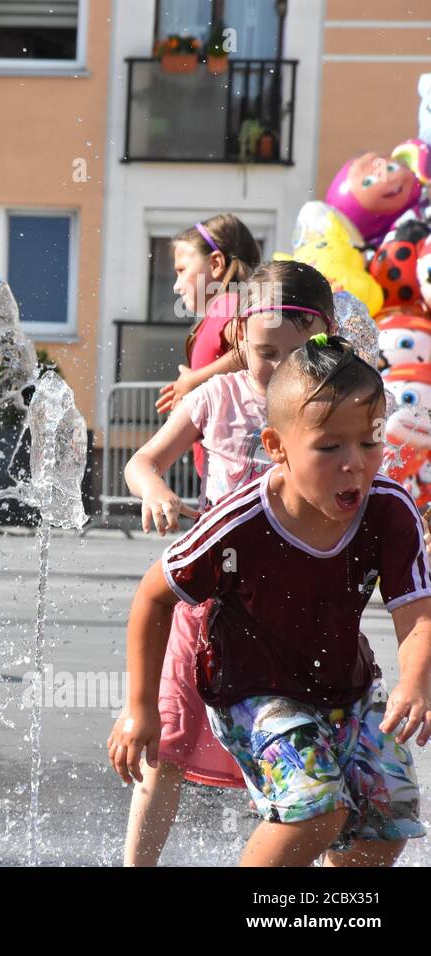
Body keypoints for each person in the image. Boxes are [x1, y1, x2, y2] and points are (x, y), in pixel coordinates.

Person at [110, 332, 431, 867]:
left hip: (346, 690)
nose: (354, 462)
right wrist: (140, 710)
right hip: (251, 692)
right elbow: (152, 596)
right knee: (315, 811)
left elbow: (417, 611)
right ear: (277, 446)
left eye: (370, 441)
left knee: (386, 820)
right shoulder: (241, 523)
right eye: (330, 446)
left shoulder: (389, 510)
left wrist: (416, 681)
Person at [120, 260, 331, 865]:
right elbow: (142, 461)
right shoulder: (216, 396)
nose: (279, 371)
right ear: (239, 336)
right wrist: (155, 491)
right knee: (167, 747)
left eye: (296, 356)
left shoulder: (327, 409)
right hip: (205, 605)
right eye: (266, 353)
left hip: (290, 613)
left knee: (293, 758)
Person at [156, 215, 261, 482]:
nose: (176, 285)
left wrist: (194, 379)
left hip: (235, 473)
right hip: (229, 471)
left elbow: (255, 352)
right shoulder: (222, 309)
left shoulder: (229, 303)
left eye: (181, 271)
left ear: (215, 263)